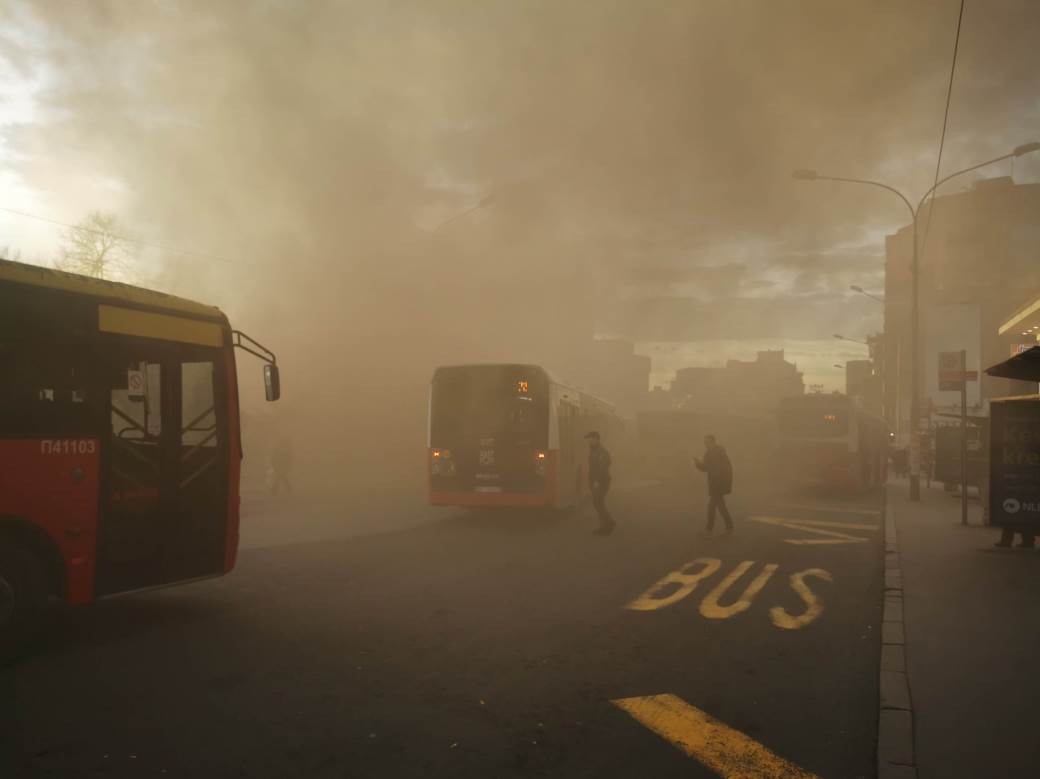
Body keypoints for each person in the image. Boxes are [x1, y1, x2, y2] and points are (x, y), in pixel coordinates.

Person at [694, 434, 733, 535]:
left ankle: (709, 530)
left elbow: (723, 468)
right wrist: (698, 464)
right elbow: (706, 468)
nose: (706, 444)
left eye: (707, 442)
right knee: (721, 506)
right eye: (705, 442)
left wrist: (700, 464)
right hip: (716, 483)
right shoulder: (711, 453)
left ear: (713, 441)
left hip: (718, 484)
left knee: (711, 506)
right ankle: (729, 528)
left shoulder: (718, 452)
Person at [585, 431, 615, 536]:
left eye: (590, 439)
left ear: (596, 439)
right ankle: (608, 523)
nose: (589, 441)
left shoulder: (601, 452)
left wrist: (597, 481)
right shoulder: (594, 451)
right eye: (588, 439)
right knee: (598, 503)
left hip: (601, 481)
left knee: (597, 503)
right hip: (597, 481)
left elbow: (602, 467)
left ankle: (605, 526)